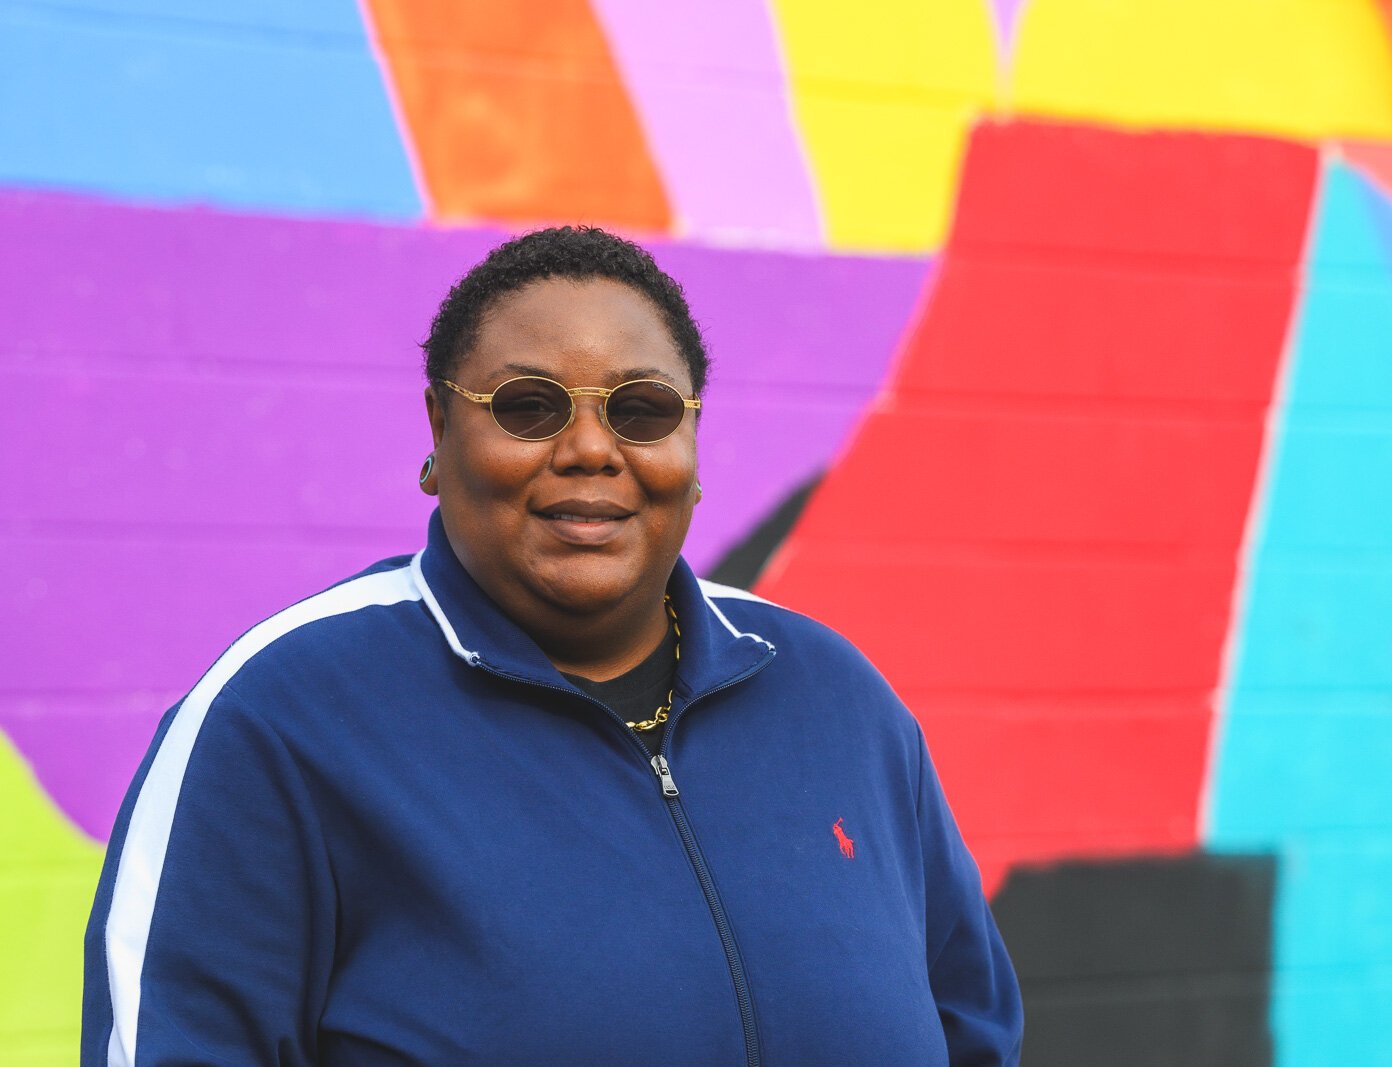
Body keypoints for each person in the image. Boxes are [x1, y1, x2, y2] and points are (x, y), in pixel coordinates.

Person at [82, 227, 1022, 1066]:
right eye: (528, 406)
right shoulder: (282, 718)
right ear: (438, 433)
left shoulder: (836, 699)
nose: (589, 449)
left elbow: (973, 1028)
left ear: (692, 445)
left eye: (642, 409)